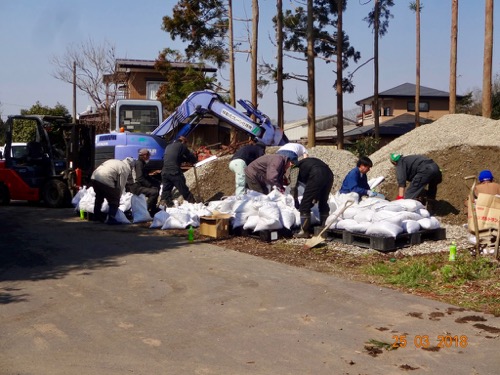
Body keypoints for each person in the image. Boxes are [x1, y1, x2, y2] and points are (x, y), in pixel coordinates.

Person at [289, 157, 334, 238]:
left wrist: (296, 200)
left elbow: (293, 188)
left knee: (305, 203)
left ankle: (304, 231)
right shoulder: (306, 164)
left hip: (316, 173)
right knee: (323, 201)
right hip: (329, 173)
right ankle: (324, 228)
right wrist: (315, 198)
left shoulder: (294, 168)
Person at [90, 158, 132, 225]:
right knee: (114, 200)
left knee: (99, 198)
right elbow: (121, 185)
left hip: (94, 177)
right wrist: (118, 196)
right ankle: (111, 218)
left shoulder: (116, 161)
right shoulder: (125, 168)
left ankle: (96, 217)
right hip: (105, 179)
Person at [159, 136, 198, 207]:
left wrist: (185, 160)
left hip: (164, 172)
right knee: (183, 189)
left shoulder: (169, 146)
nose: (185, 145)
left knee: (166, 190)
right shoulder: (182, 146)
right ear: (183, 141)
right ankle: (194, 205)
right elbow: (189, 156)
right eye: (185, 143)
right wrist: (194, 160)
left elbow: (177, 157)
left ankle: (165, 207)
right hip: (174, 172)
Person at [126, 148, 161, 216]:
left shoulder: (142, 163)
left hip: (139, 185)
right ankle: (145, 210)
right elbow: (140, 178)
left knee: (156, 186)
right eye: (148, 155)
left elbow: (146, 176)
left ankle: (153, 209)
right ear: (144, 155)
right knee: (154, 192)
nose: (149, 157)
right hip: (136, 187)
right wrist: (150, 185)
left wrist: (156, 182)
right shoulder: (139, 164)